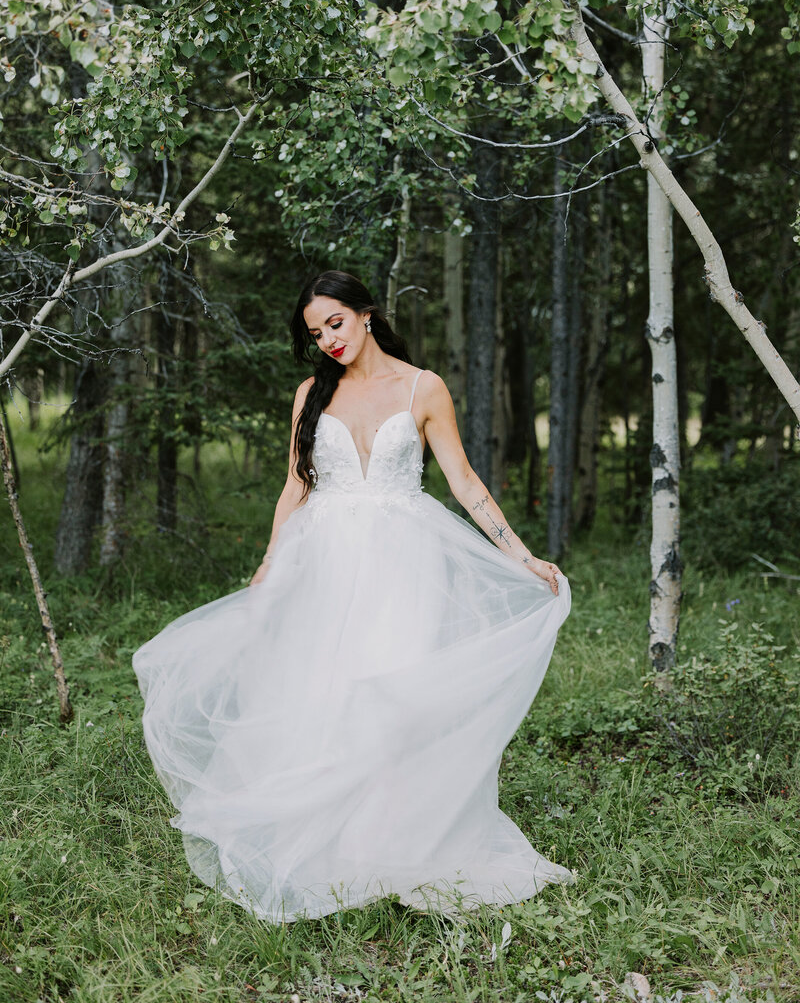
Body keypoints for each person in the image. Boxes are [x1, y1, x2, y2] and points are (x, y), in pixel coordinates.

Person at [133, 269, 573, 923]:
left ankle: (404, 846)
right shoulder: (312, 392)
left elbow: (464, 481)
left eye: (335, 323)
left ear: (366, 313)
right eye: (315, 333)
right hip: (327, 562)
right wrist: (269, 561)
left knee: (397, 696)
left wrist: (519, 552)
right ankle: (334, 847)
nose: (328, 340)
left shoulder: (424, 388)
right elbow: (295, 486)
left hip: (407, 562)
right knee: (327, 692)